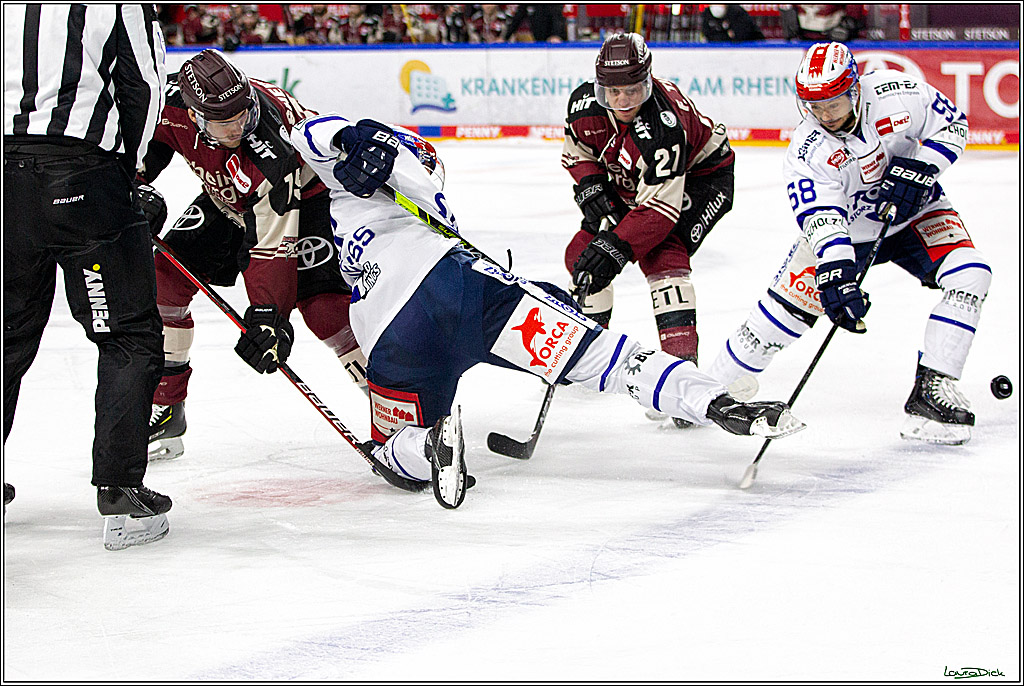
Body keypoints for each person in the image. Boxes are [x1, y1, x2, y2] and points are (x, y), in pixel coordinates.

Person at [289, 113, 805, 510]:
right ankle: (717, 403)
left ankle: (428, 448)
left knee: (390, 456)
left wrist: (344, 140)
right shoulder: (415, 184)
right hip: (472, 290)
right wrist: (529, 293)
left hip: (393, 330)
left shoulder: (353, 184)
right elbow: (314, 132)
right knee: (608, 356)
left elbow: (304, 133)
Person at [706, 42, 990, 445]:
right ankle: (705, 391)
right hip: (849, 233)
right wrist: (836, 271)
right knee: (773, 326)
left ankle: (932, 388)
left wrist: (924, 167)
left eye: (833, 104)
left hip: (915, 215)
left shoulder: (899, 92)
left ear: (855, 90)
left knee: (972, 274)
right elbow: (822, 216)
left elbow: (953, 125)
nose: (824, 116)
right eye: (814, 107)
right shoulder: (807, 151)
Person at [138, 49, 368, 461]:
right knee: (164, 280)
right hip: (231, 197)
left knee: (324, 313)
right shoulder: (164, 100)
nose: (237, 128)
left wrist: (268, 315)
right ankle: (168, 407)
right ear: (194, 115)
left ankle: (395, 412)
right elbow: (149, 141)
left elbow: (269, 246)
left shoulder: (269, 145)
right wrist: (133, 185)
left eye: (242, 116)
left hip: (309, 198)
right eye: (224, 122)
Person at [4, 4, 172, 549]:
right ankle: (121, 490)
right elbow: (143, 85)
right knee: (126, 335)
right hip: (81, 177)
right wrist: (134, 172)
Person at [561, 33, 737, 427]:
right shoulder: (581, 105)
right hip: (632, 180)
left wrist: (615, 248)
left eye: (634, 91)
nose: (623, 102)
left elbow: (659, 211)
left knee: (662, 257)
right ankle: (590, 350)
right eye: (613, 92)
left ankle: (683, 377)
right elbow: (578, 151)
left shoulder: (664, 127)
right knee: (581, 256)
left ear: (649, 81)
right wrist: (590, 185)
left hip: (701, 179)